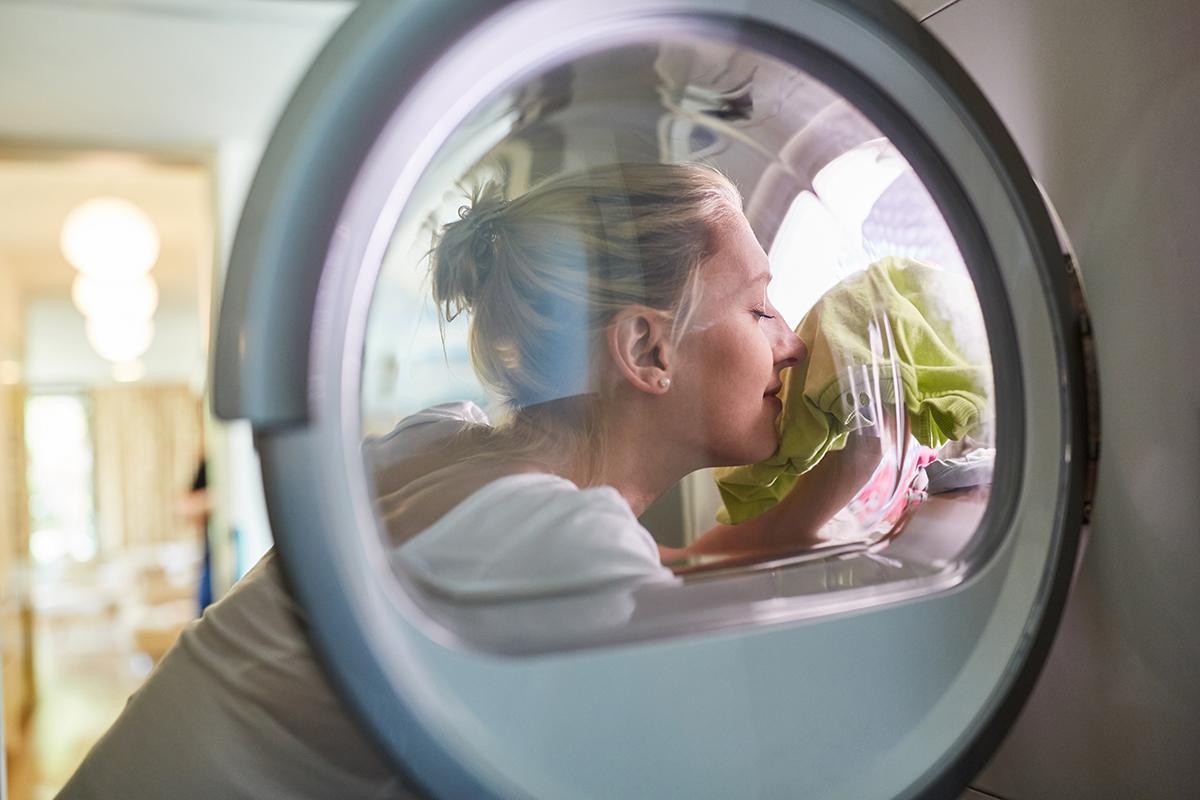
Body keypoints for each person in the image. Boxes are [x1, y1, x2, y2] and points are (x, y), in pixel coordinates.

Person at [59, 161, 870, 799]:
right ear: (647, 349)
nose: (792, 343)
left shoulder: (440, 441)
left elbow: (651, 585)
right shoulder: (560, 539)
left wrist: (840, 481)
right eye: (760, 309)